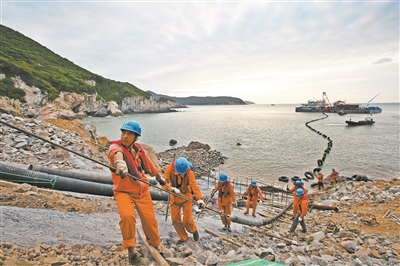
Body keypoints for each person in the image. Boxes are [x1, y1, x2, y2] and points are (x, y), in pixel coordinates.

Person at [107, 120, 165, 265]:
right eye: (123, 132)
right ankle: (131, 253)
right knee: (127, 217)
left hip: (142, 189)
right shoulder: (116, 147)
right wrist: (120, 163)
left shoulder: (138, 149)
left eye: (129, 134)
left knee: (150, 220)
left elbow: (149, 165)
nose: (125, 136)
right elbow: (116, 153)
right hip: (123, 191)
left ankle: (155, 244)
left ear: (136, 137)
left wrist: (159, 178)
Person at [162, 157, 205, 243]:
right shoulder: (170, 169)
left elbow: (194, 186)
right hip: (174, 197)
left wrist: (200, 199)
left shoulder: (189, 172)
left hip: (186, 197)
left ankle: (193, 230)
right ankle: (184, 237)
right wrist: (171, 189)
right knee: (175, 219)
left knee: (187, 220)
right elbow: (163, 183)